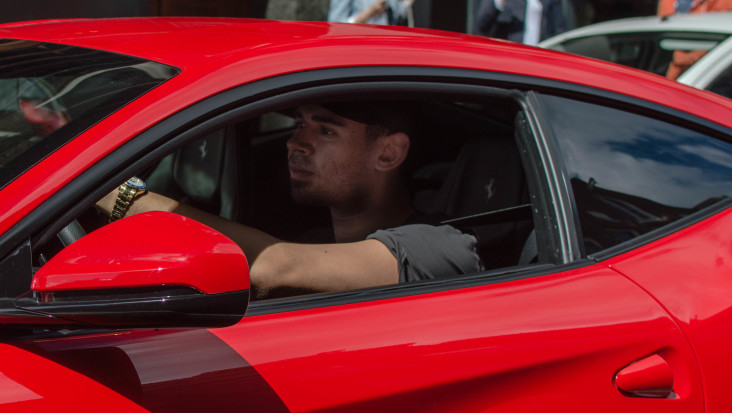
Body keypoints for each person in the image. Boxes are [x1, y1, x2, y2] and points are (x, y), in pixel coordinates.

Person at [98, 101, 482, 298]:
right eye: (300, 123)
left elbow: (273, 268)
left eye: (326, 130)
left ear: (388, 154)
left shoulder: (440, 246)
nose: (295, 142)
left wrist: (119, 196)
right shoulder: (315, 240)